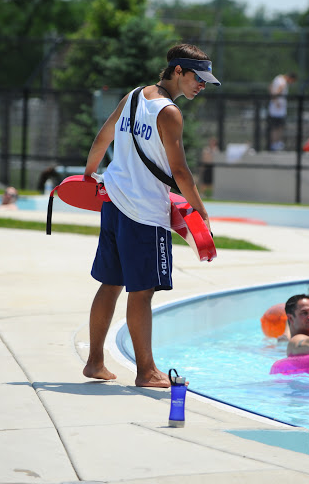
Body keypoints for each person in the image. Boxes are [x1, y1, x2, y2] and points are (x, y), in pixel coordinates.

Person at [82, 43, 220, 387]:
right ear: (178, 71)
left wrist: (89, 174)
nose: (201, 86)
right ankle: (146, 371)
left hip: (114, 201)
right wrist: (201, 211)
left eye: (205, 82)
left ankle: (95, 362)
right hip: (144, 211)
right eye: (197, 78)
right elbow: (181, 172)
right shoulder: (169, 112)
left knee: (110, 283)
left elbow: (104, 136)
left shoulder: (133, 96)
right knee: (142, 291)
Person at [267, 72, 297, 151]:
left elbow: (270, 87)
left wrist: (272, 100)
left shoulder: (277, 78)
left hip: (273, 108)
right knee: (278, 127)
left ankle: (274, 144)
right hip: (278, 110)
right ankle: (276, 144)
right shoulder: (283, 83)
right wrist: (276, 102)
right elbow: (277, 92)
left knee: (275, 127)